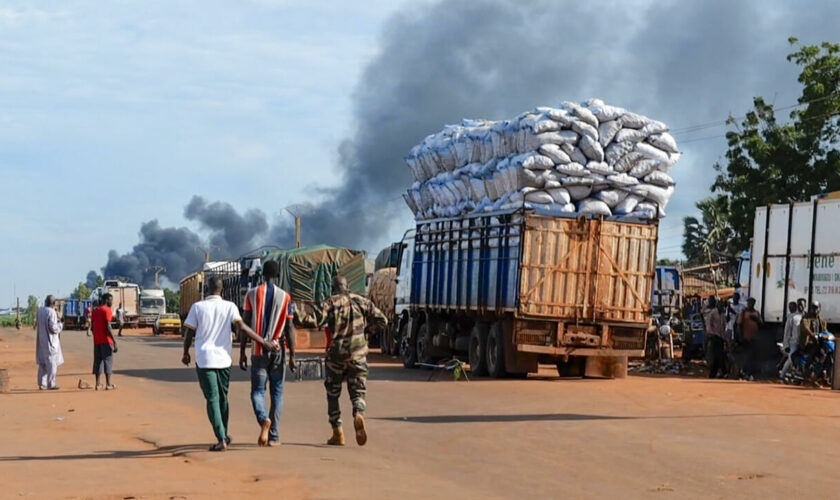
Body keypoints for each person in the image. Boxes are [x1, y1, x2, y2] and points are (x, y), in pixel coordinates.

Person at [182, 276, 275, 452]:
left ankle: (221, 438)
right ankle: (223, 434)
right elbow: (243, 328)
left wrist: (185, 352)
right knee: (223, 398)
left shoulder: (198, 307)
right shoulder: (230, 306)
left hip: (205, 360)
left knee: (212, 399)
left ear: (207, 289)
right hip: (224, 360)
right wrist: (262, 341)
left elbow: (189, 333)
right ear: (222, 290)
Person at [309, 276, 387, 446]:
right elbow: (383, 320)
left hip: (336, 356)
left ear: (334, 288)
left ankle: (338, 432)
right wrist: (366, 331)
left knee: (333, 393)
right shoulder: (362, 301)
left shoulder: (331, 302)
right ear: (347, 286)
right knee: (358, 390)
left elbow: (312, 320)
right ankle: (359, 413)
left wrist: (294, 315)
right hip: (358, 354)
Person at [240, 260, 297, 447]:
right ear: (278, 275)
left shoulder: (251, 294)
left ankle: (264, 419)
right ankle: (274, 436)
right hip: (278, 350)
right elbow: (289, 327)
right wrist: (292, 356)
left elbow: (245, 325)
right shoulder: (286, 297)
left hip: (258, 350)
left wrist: (242, 351)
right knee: (277, 393)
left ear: (262, 274)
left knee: (257, 391)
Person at [35, 295, 64, 390]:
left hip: (41, 341)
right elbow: (53, 328)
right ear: (53, 303)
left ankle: (42, 383)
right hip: (50, 342)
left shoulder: (40, 311)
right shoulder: (51, 312)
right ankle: (51, 384)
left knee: (43, 363)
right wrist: (60, 325)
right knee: (51, 363)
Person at [91, 293, 118, 390]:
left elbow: (92, 328)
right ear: (107, 300)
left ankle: (98, 384)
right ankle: (108, 384)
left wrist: (97, 336)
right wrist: (114, 341)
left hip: (97, 341)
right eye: (111, 300)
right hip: (107, 341)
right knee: (108, 361)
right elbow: (108, 327)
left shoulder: (95, 311)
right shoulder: (107, 310)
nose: (112, 302)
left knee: (97, 361)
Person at [736, 297, 763, 379]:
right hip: (745, 337)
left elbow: (761, 325)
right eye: (749, 302)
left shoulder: (757, 313)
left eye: (752, 303)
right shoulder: (743, 312)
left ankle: (748, 372)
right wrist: (740, 337)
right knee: (746, 355)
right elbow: (739, 325)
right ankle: (744, 371)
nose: (751, 304)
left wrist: (756, 320)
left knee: (752, 356)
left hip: (754, 338)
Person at [780, 301, 802, 380]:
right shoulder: (791, 317)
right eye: (789, 307)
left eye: (792, 307)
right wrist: (786, 345)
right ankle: (782, 375)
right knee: (791, 359)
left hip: (802, 343)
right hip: (793, 343)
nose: (790, 308)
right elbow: (787, 331)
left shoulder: (805, 316)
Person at [703, 296, 725, 378]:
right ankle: (715, 372)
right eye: (720, 305)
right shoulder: (712, 313)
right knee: (714, 355)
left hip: (720, 336)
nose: (721, 306)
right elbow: (709, 324)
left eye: (722, 305)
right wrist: (711, 334)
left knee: (719, 355)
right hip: (713, 336)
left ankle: (717, 372)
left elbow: (723, 326)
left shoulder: (722, 314)